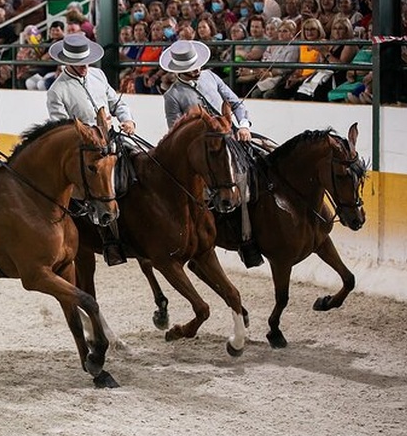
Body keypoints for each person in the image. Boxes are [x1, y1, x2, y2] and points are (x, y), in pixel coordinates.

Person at [159, 39, 263, 267]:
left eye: (196, 64)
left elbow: (235, 103)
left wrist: (244, 124)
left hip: (233, 135)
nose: (196, 69)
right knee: (234, 184)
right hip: (207, 152)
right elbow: (176, 130)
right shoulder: (173, 96)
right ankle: (243, 239)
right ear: (179, 70)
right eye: (189, 67)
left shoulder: (211, 77)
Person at [45, 33, 137, 266]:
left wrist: (127, 120)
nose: (85, 67)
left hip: (113, 138)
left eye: (86, 61)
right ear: (67, 62)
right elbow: (63, 128)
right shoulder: (57, 90)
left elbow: (116, 103)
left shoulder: (98, 74)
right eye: (79, 63)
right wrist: (93, 132)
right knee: (100, 186)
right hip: (85, 148)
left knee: (142, 163)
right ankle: (109, 240)